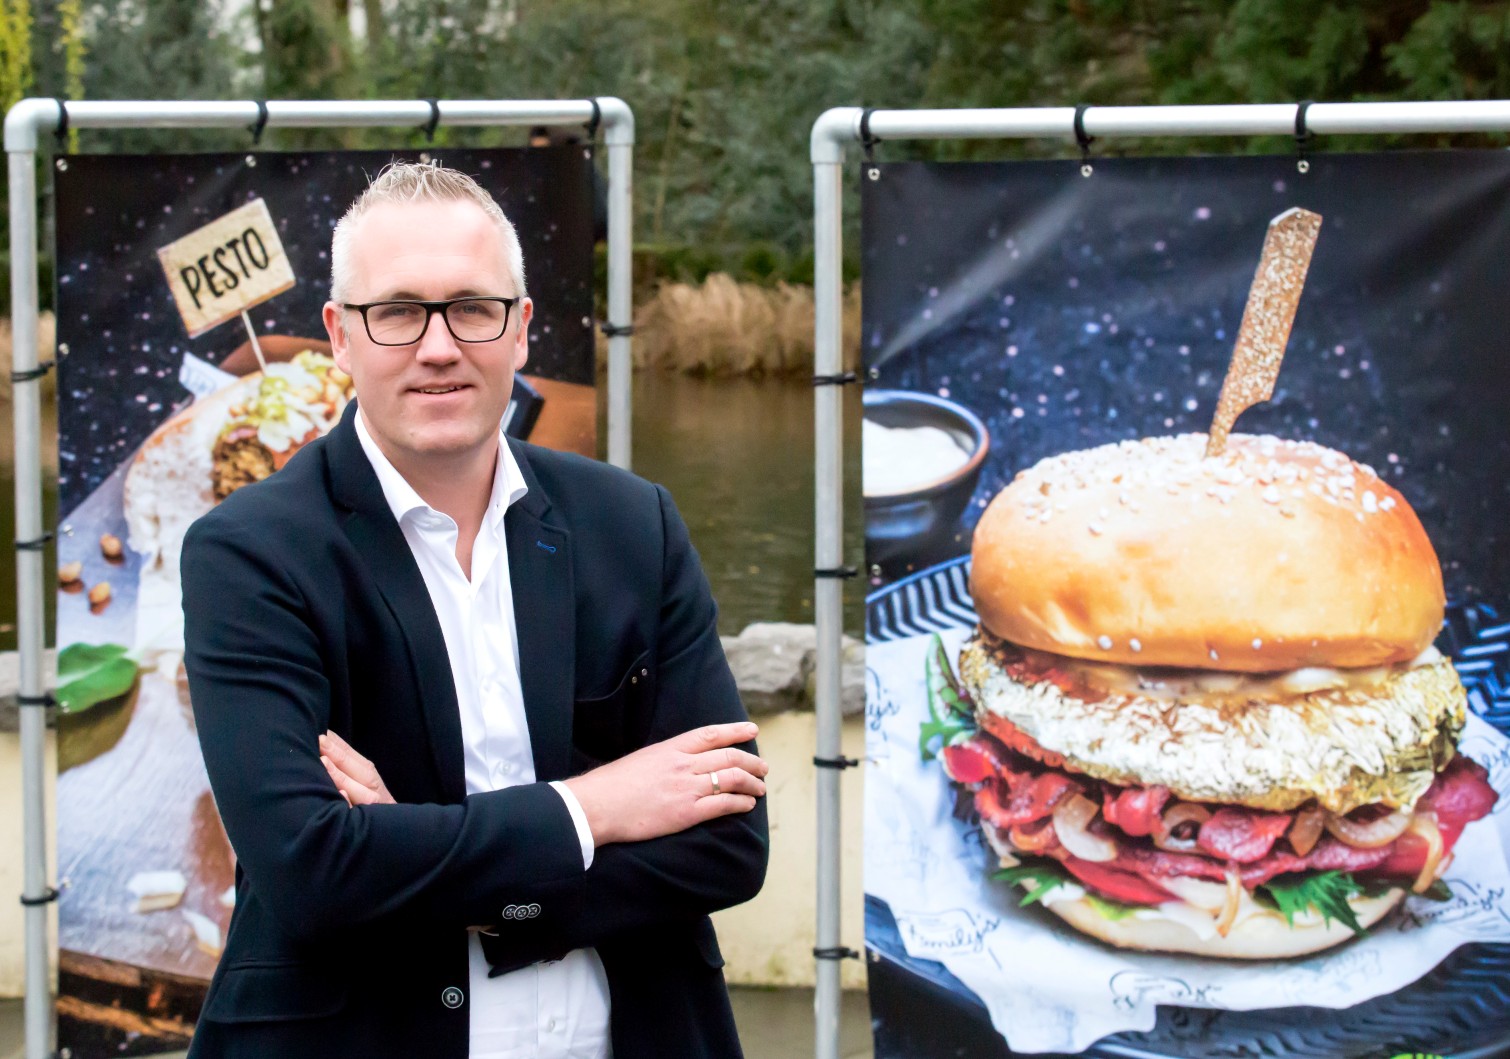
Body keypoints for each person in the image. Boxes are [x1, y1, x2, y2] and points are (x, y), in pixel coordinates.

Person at [180, 161, 769, 1059]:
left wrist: (425, 863)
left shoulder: (633, 523)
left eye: (472, 308)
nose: (439, 346)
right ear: (340, 336)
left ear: (521, 328)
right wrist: (595, 806)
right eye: (397, 311)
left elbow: (728, 842)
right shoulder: (251, 553)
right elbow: (313, 872)